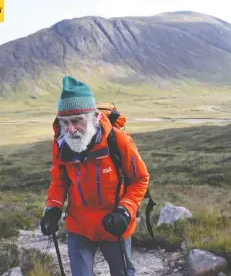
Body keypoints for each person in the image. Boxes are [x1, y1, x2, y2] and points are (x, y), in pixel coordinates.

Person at [40, 75, 150, 276]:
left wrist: (125, 211)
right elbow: (59, 179)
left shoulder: (119, 141)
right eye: (64, 123)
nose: (71, 129)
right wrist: (53, 207)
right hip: (78, 225)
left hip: (113, 225)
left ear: (95, 117)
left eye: (77, 121)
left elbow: (140, 179)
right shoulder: (61, 143)